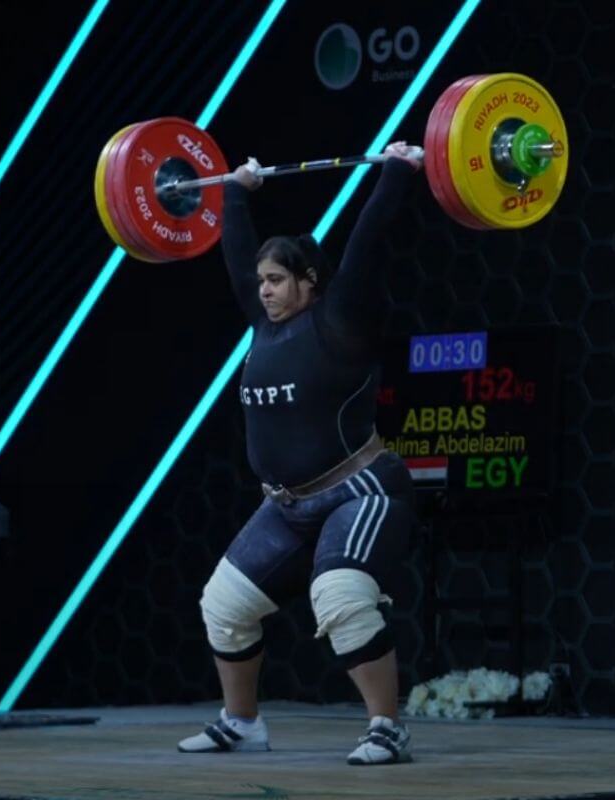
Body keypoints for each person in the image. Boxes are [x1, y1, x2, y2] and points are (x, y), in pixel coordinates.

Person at [177, 143, 422, 765]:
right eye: (261, 282)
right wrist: (235, 190)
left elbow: (367, 242)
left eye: (277, 280)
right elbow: (235, 259)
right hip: (287, 506)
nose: (263, 291)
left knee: (339, 598)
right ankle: (242, 722)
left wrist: (396, 170)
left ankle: (387, 727)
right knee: (223, 608)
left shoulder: (340, 321)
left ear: (310, 282)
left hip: (361, 489)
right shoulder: (263, 330)